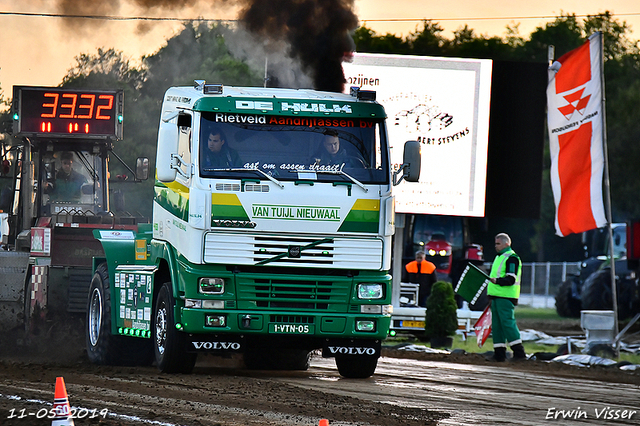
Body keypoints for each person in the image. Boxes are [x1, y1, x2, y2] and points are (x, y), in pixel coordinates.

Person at [488, 232, 526, 361]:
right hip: (497, 296)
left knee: (508, 324)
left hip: (505, 297)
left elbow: (511, 278)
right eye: (495, 243)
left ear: (506, 243)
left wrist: (497, 281)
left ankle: (519, 353)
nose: (496, 246)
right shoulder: (500, 257)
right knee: (497, 326)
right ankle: (499, 354)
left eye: (498, 244)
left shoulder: (512, 258)